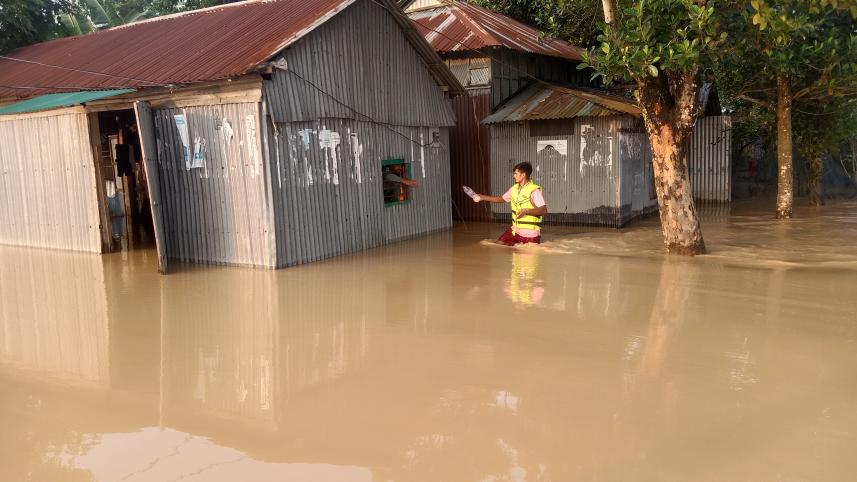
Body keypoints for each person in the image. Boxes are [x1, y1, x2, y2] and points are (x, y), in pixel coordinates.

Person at [472, 162, 547, 245]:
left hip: (530, 235)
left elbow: (543, 210)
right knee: (496, 245)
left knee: (522, 253)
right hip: (515, 231)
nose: (514, 176)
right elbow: (501, 199)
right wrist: (482, 197)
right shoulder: (514, 188)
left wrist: (526, 211)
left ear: (523, 175)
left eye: (516, 173)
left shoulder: (534, 191)